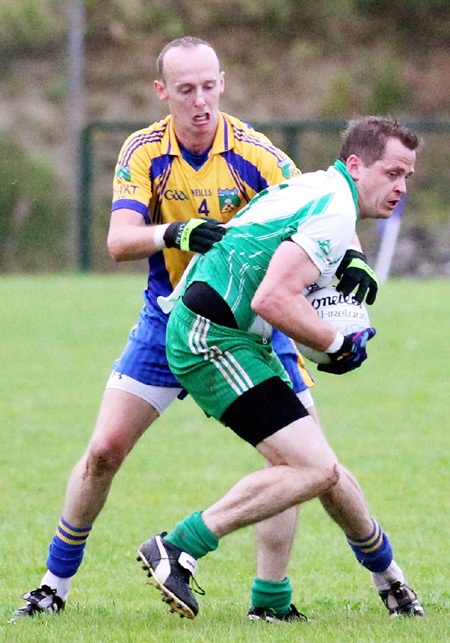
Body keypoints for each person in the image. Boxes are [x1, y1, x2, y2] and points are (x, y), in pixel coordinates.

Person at [11, 38, 377, 622]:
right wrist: (175, 233)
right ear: (163, 93)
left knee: (307, 462)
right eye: (186, 90)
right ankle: (53, 585)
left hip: (252, 326)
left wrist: (351, 254)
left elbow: (324, 201)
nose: (201, 100)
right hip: (166, 320)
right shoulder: (144, 151)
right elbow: (117, 241)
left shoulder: (254, 152)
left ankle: (322, 592)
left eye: (209, 86)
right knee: (103, 451)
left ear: (223, 83)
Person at [136, 116, 424, 622]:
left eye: (408, 177)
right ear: (357, 166)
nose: (401, 187)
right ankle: (179, 545)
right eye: (393, 172)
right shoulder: (334, 209)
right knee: (313, 468)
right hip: (212, 338)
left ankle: (344, 589)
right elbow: (273, 298)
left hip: (237, 335)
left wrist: (348, 260)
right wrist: (337, 343)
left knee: (316, 466)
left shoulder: (319, 186)